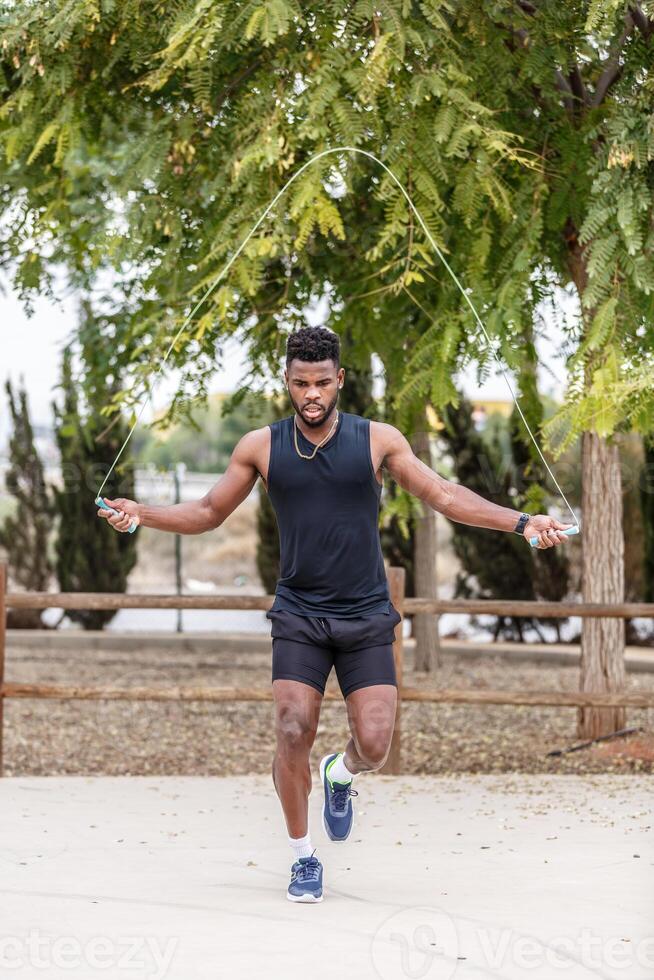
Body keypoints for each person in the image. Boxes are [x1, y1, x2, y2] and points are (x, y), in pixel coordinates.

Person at [98, 325, 573, 904]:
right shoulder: (260, 446)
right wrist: (139, 513)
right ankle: (303, 857)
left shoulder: (377, 441)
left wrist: (524, 523)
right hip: (299, 612)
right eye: (301, 383)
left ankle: (339, 775)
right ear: (287, 383)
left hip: (367, 612)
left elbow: (445, 495)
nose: (312, 394)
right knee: (292, 726)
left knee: (374, 744)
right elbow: (206, 510)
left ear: (340, 380)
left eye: (322, 382)